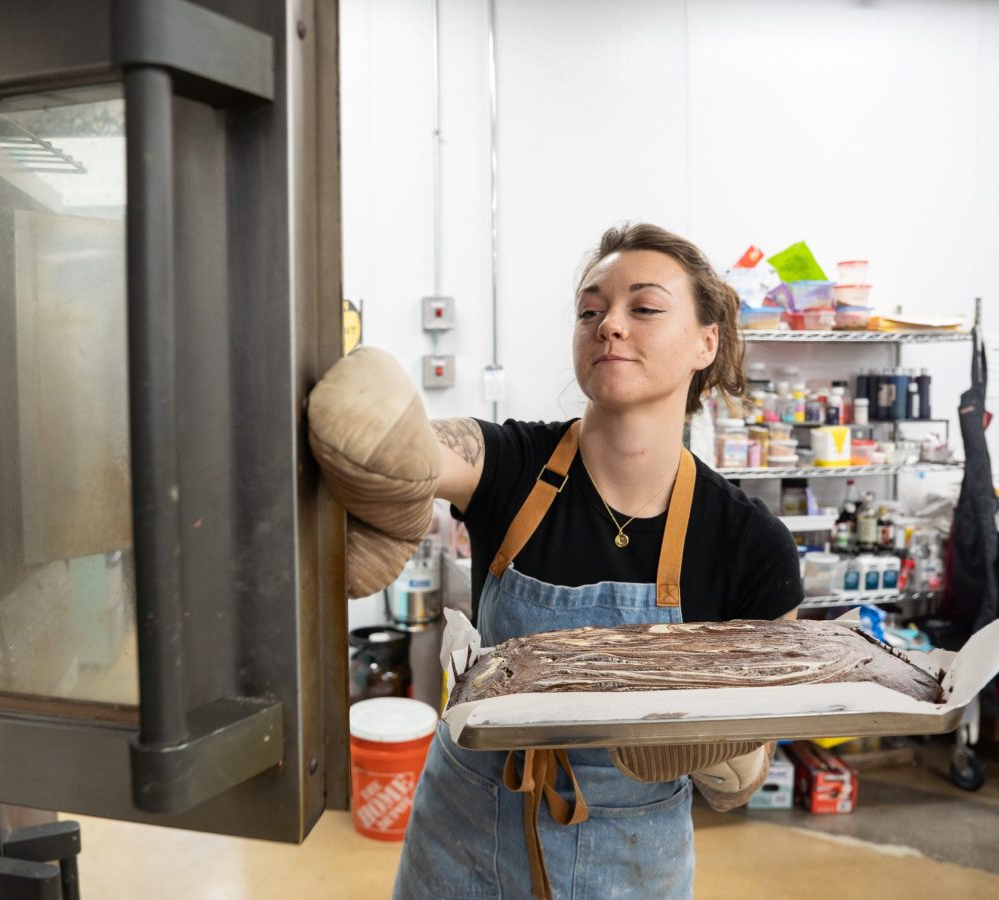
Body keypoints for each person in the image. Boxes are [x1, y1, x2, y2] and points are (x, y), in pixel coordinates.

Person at [307, 222, 803, 899]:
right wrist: (380, 474)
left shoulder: (750, 544)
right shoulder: (509, 465)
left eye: (644, 307)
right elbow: (404, 448)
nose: (610, 325)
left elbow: (743, 782)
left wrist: (714, 746)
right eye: (590, 311)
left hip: (630, 862)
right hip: (464, 837)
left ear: (706, 342)